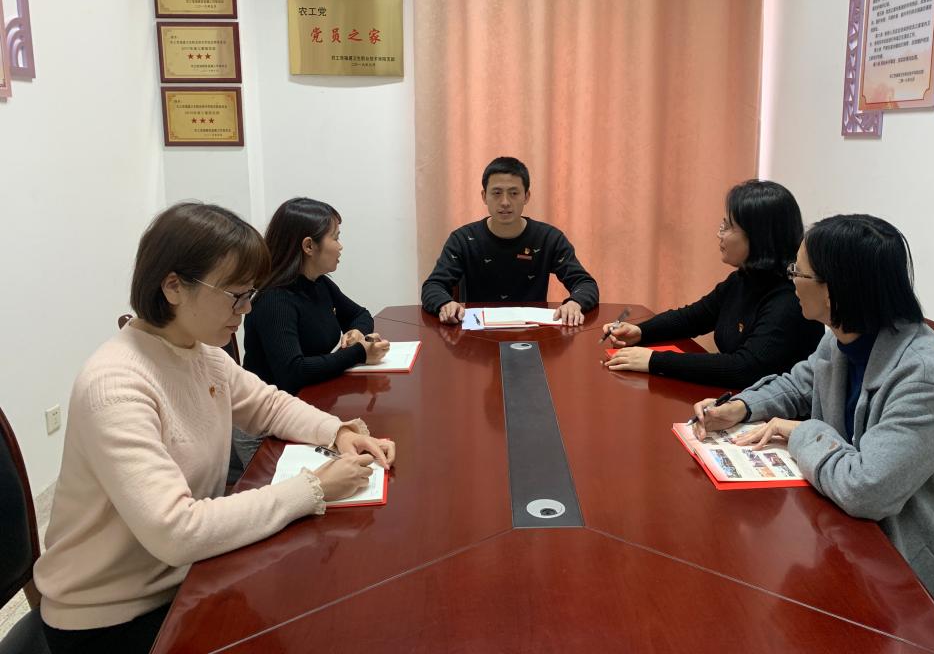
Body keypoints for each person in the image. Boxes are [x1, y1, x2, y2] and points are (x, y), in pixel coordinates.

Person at [33, 203, 396, 654]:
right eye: (236, 295)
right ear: (173, 286)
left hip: (186, 576)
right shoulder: (116, 386)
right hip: (113, 616)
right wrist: (314, 488)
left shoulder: (199, 352)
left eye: (250, 293)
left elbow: (268, 404)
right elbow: (177, 531)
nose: (247, 308)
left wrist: (338, 432)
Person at [691, 214, 934, 651]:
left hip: (926, 587)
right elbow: (801, 382)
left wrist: (803, 432)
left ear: (835, 290)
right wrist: (742, 406)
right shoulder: (844, 334)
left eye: (799, 272)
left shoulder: (926, 377)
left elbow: (867, 489)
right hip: (858, 545)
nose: (791, 280)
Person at [602, 180, 823, 388]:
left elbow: (743, 368)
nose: (719, 234)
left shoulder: (790, 298)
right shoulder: (744, 279)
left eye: (728, 227)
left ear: (759, 237)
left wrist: (654, 360)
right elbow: (692, 318)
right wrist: (641, 331)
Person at [421, 156, 599, 325]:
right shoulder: (463, 239)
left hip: (533, 333)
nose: (505, 202)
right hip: (478, 334)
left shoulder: (548, 238)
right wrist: (445, 303)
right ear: (484, 196)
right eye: (497, 193)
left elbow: (585, 284)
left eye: (514, 193)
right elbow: (433, 286)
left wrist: (575, 303)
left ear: (526, 196)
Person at [243, 197, 389, 395]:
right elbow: (293, 372)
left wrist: (356, 332)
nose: (340, 246)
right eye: (335, 238)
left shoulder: (319, 284)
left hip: (315, 396)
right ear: (309, 246)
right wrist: (359, 353)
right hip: (275, 409)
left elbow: (360, 314)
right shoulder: (274, 300)